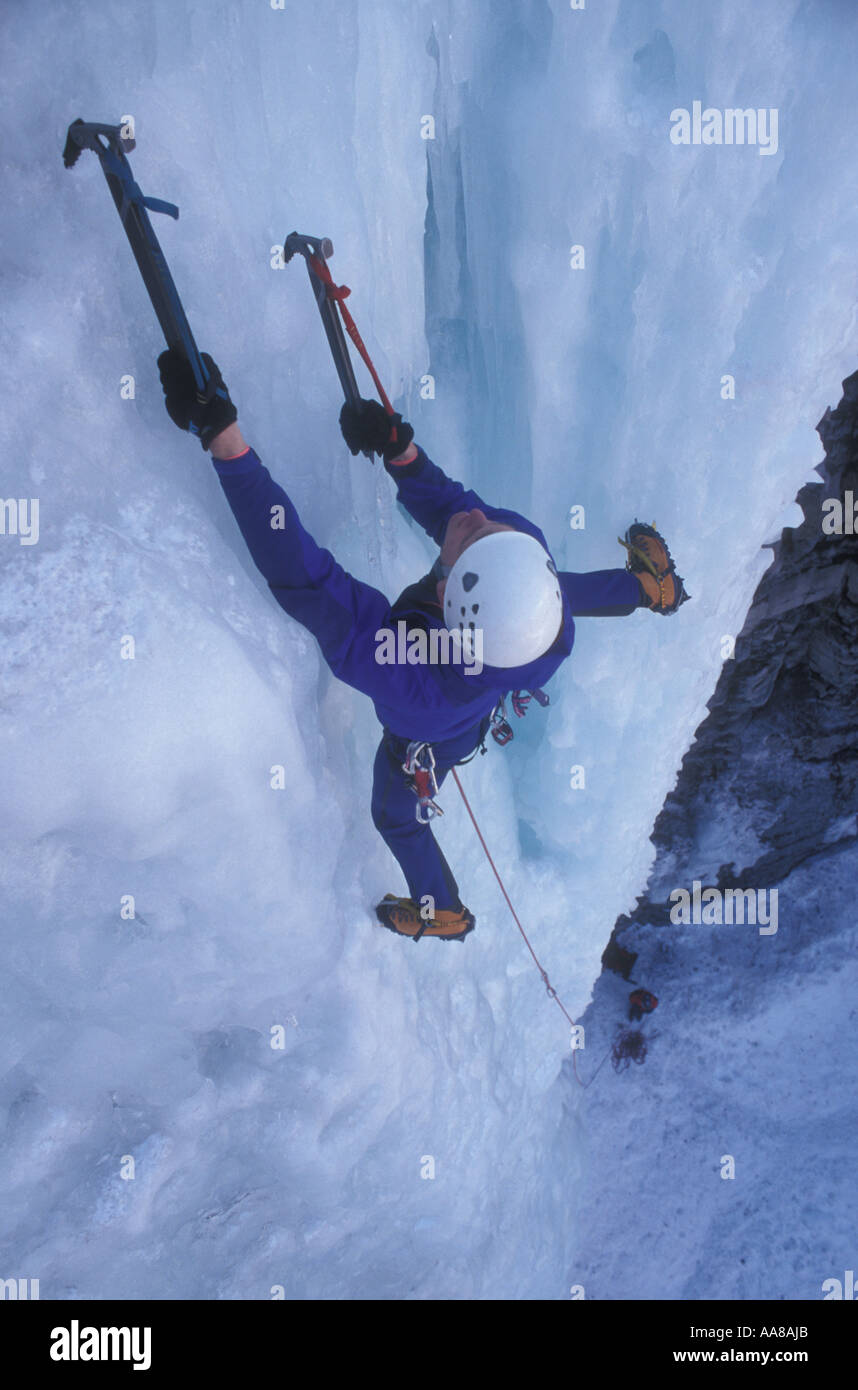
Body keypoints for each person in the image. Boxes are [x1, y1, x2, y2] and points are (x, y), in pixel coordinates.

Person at [157, 351, 688, 942]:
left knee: (396, 817)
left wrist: (225, 442)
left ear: (450, 595)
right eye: (490, 529)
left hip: (432, 730)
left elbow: (305, 578)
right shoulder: (520, 561)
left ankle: (445, 913)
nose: (476, 516)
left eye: (474, 536)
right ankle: (650, 590)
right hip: (498, 649)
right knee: (555, 596)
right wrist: (399, 452)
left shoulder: (405, 671)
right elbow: (453, 510)